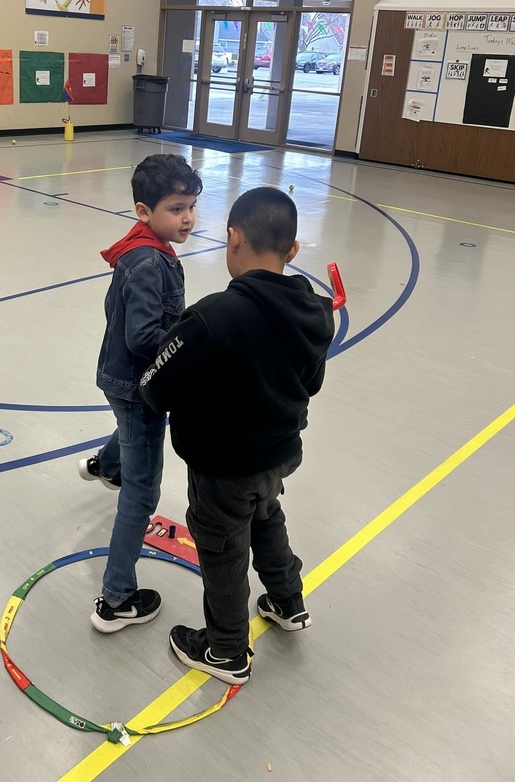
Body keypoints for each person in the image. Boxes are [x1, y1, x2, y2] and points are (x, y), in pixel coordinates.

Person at [139, 186, 335, 685]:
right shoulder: (316, 310)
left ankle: (226, 648)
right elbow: (310, 381)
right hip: (281, 454)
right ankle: (288, 601)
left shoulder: (212, 317)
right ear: (292, 251)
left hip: (225, 466)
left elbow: (155, 388)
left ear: (234, 239)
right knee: (265, 517)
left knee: (222, 546)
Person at [79, 153, 203, 633]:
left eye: (191, 206)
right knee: (142, 491)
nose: (188, 217)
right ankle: (116, 599)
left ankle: (105, 464)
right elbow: (144, 338)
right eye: (176, 208)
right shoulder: (149, 262)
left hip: (121, 381)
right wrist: (190, 345)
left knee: (129, 433)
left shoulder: (143, 249)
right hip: (139, 387)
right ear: (143, 211)